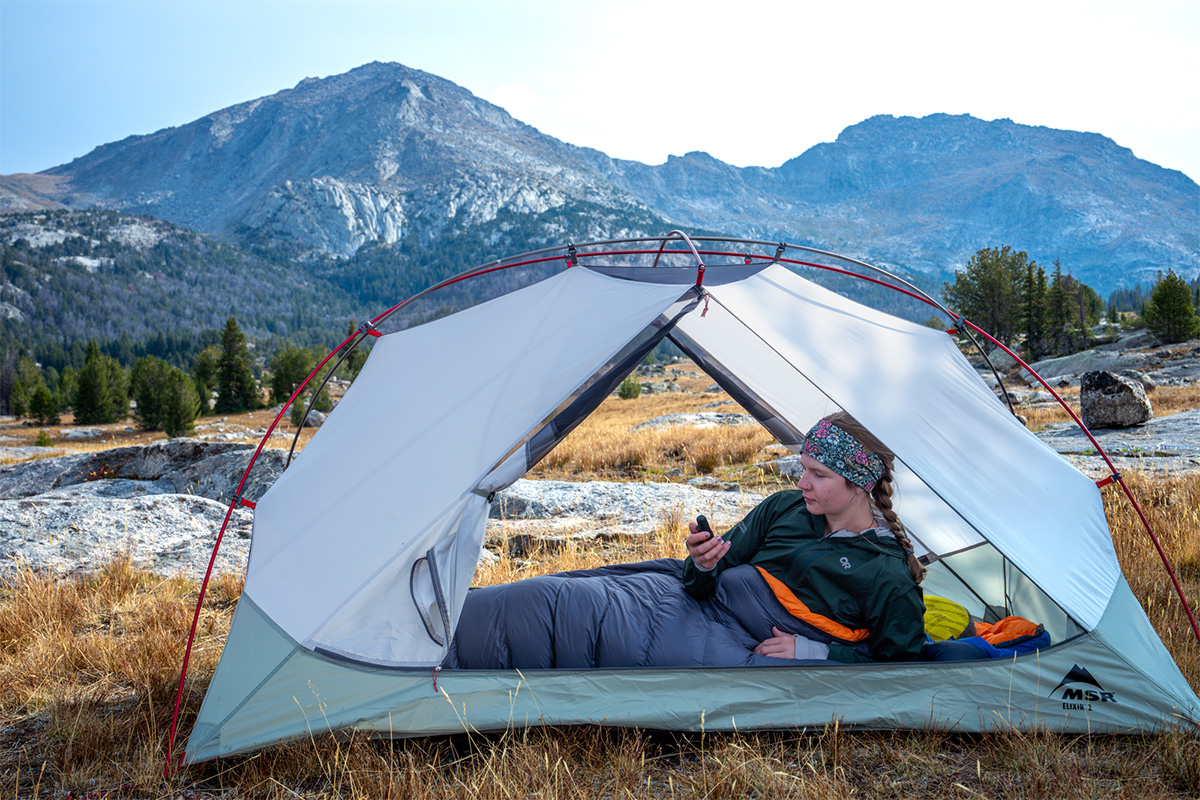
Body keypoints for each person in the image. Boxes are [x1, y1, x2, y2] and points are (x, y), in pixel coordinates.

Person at [682, 411, 926, 664]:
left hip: (739, 656)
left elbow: (904, 669)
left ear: (858, 483)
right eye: (803, 468)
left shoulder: (886, 571)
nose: (802, 483)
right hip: (704, 617)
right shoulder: (784, 506)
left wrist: (817, 653)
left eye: (818, 474)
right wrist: (703, 564)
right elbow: (695, 586)